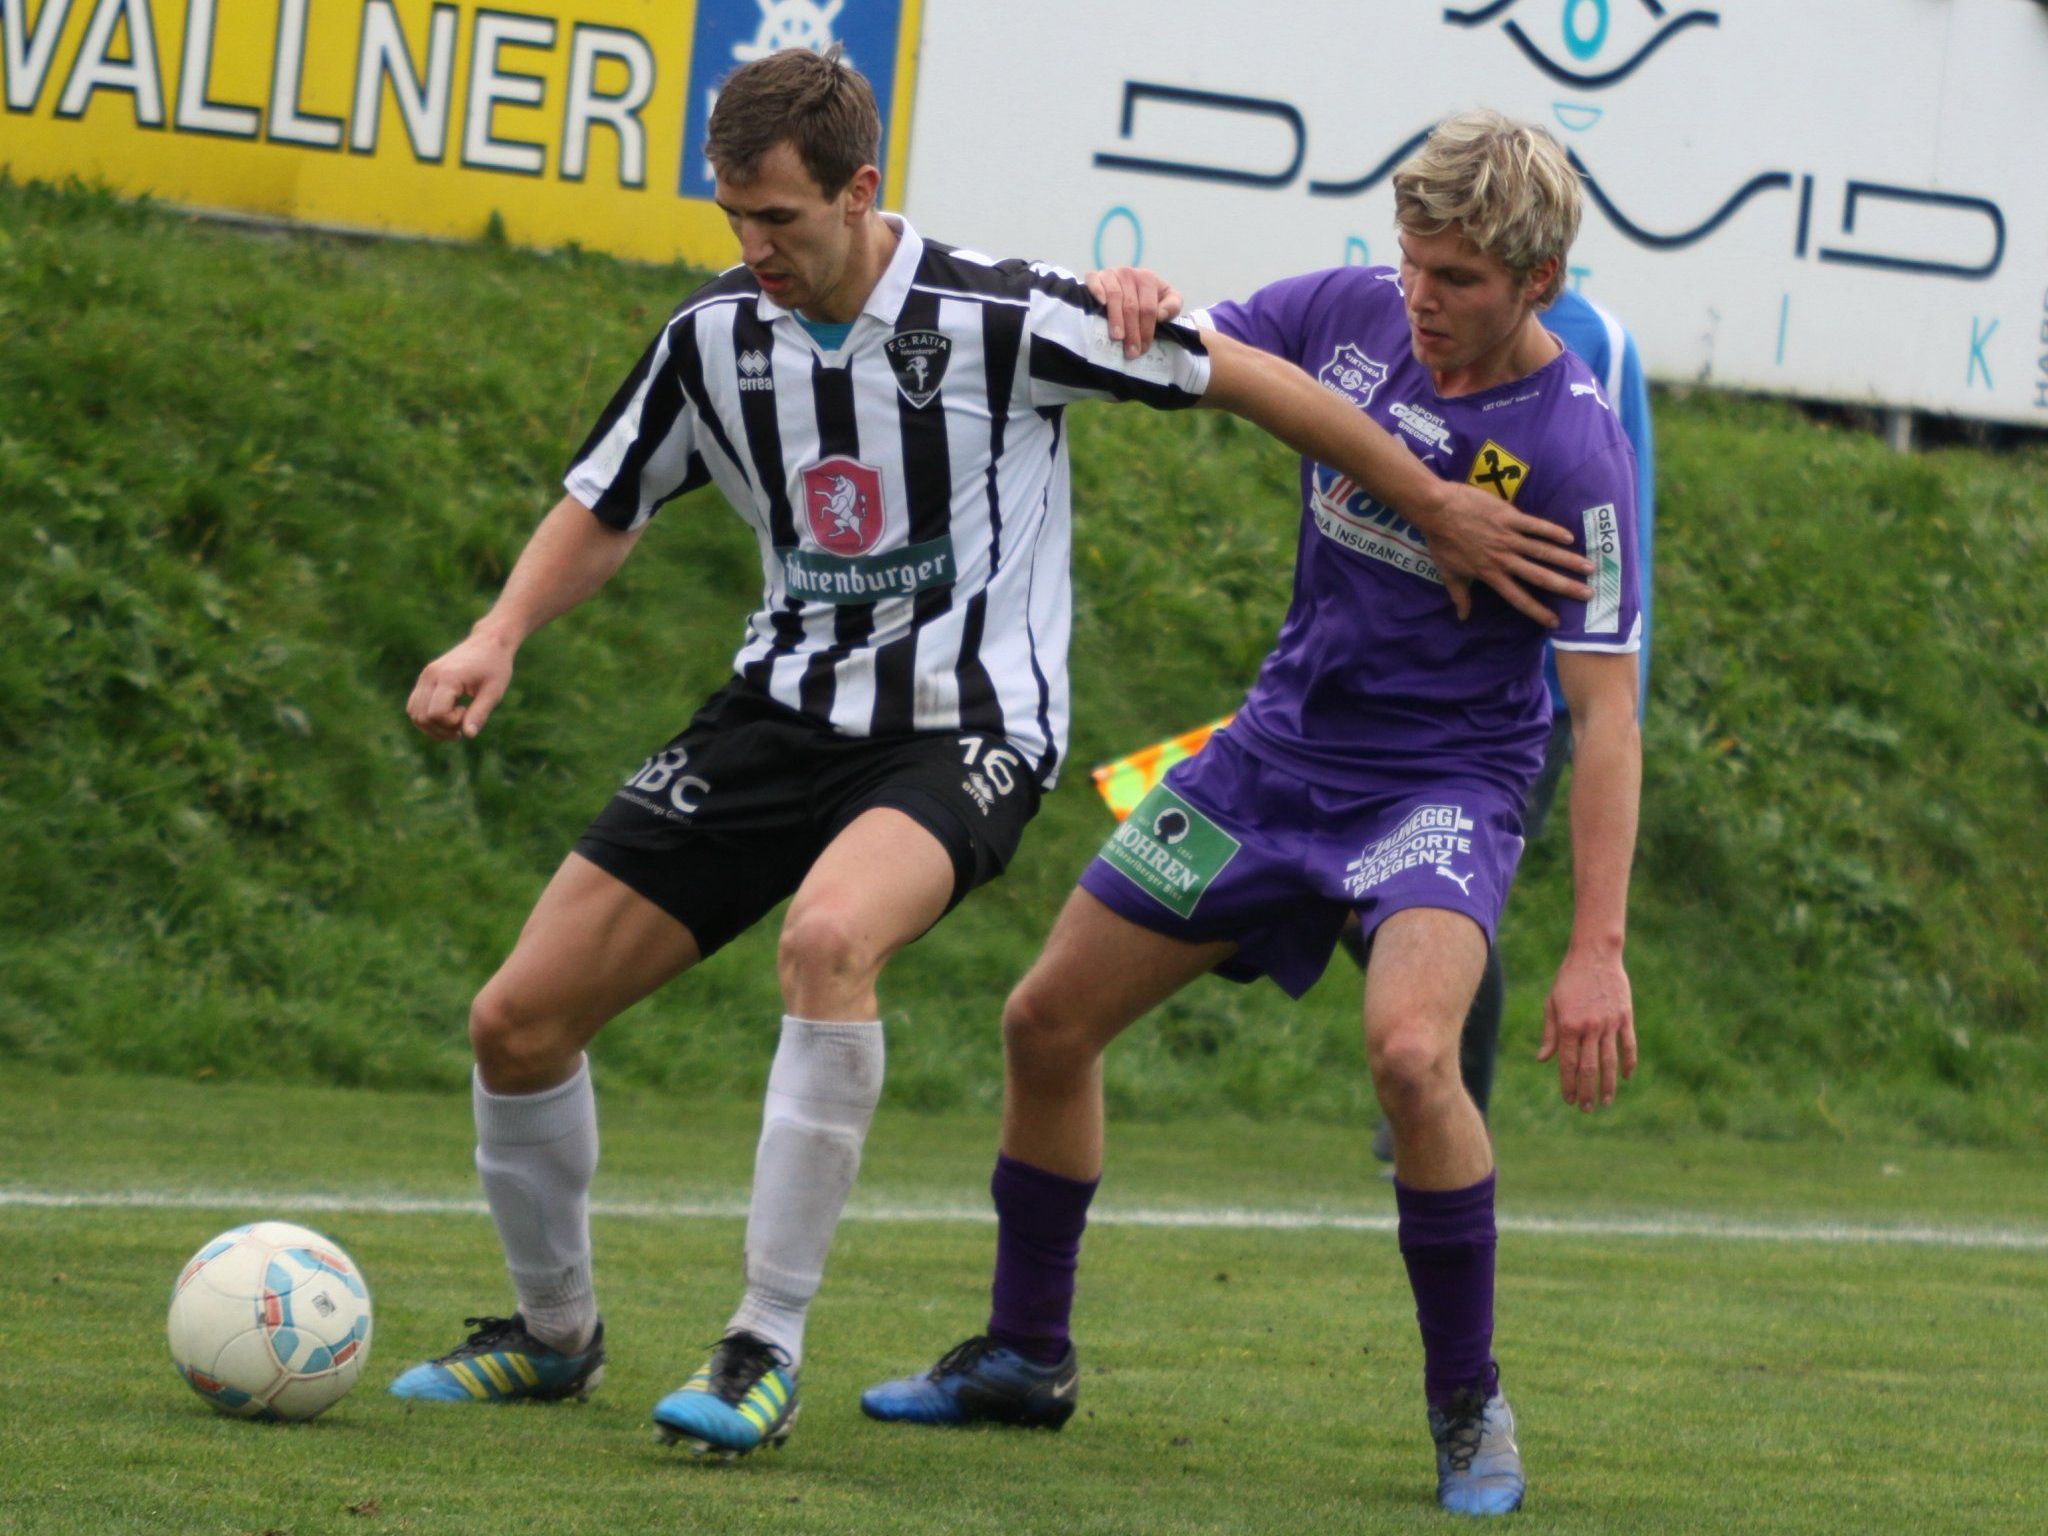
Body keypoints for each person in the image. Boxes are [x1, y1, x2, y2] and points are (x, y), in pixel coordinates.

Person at [386, 51, 1592, 1463]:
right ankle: (556, 1335)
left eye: (778, 218)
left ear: (859, 191)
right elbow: (608, 500)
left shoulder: (996, 317)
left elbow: (1248, 388)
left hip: (978, 734)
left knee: (839, 944)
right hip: (799, 722)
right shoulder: (711, 336)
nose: (750, 247)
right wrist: (499, 632)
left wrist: (1432, 504)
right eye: (733, 217)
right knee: (517, 1021)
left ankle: (763, 1344)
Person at [861, 111, 1643, 1518]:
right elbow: (1191, 348)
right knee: (1045, 1021)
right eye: (1415, 264)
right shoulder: (1345, 317)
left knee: (1413, 1055)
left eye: (1458, 279)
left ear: (1537, 282)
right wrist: (1145, 300)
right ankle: (1025, 1356)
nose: (1424, 299)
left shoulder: (1576, 450)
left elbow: (1606, 714)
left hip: (1438, 789)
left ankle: (1467, 1405)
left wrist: (1598, 946)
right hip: (1269, 759)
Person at [1353, 281, 1656, 1155]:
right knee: (1364, 898)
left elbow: (1615, 520)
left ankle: (1440, 1113)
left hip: (1533, 696)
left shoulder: (1596, 340)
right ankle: (1428, 1086)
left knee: (1440, 888)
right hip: (1387, 683)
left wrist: (1611, 683)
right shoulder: (1406, 309)